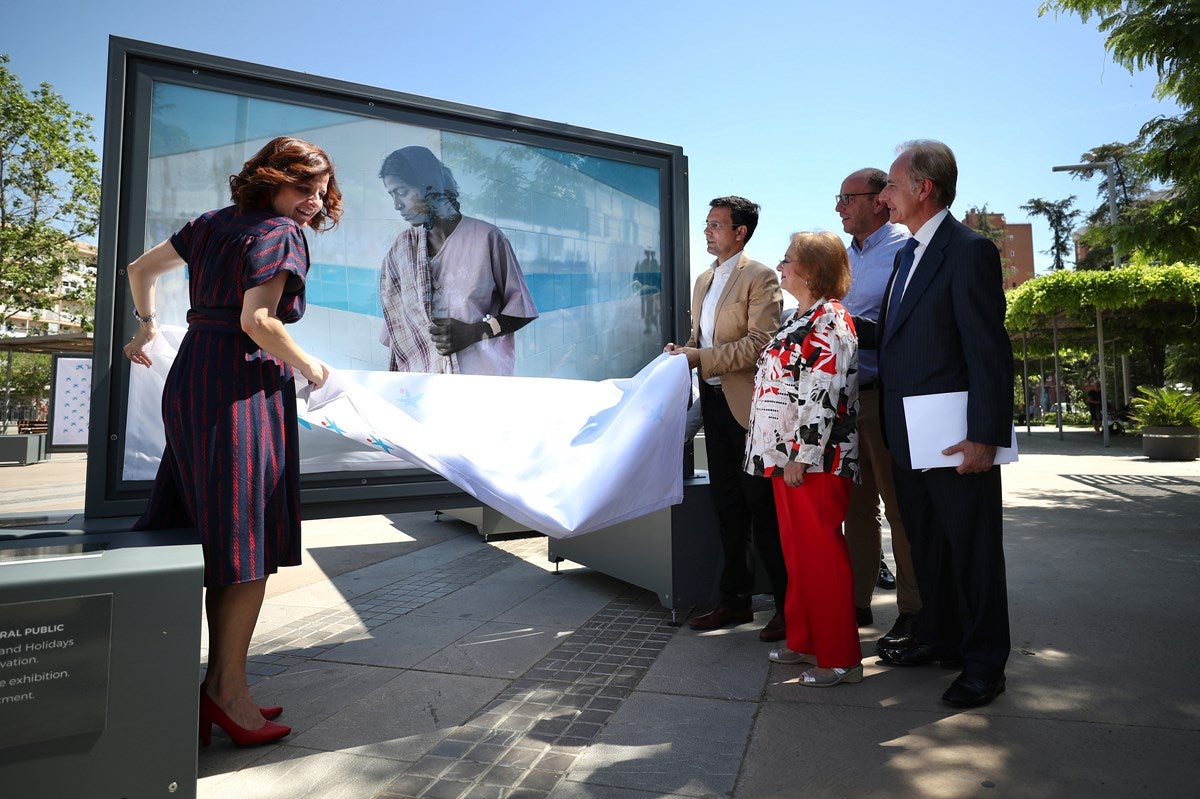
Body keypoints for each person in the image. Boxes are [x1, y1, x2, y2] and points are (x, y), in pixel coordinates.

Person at [123, 136, 343, 746]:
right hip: (242, 383)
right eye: (303, 185)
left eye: (321, 189)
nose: (313, 201)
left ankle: (221, 685)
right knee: (245, 541)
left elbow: (139, 271)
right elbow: (259, 322)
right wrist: (318, 371)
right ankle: (227, 693)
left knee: (222, 535)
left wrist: (146, 327)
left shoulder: (209, 226)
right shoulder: (279, 233)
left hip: (194, 376)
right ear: (270, 178)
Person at [875, 140, 1014, 708]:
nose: (884, 196)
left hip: (957, 437)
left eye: (890, 184)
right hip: (909, 434)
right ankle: (942, 638)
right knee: (928, 546)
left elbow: (988, 351)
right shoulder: (906, 255)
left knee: (973, 551)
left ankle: (985, 664)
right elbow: (900, 337)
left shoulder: (968, 251)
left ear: (922, 187)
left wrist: (986, 435)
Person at [665, 196, 787, 642]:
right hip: (714, 405)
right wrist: (684, 353)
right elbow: (703, 340)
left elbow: (762, 343)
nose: (707, 231)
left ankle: (786, 606)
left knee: (763, 507)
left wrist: (702, 357)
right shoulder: (703, 280)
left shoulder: (760, 276)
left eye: (717, 224)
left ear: (741, 231)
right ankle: (734, 600)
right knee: (727, 506)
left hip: (751, 406)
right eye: (707, 223)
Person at [745, 231, 862, 687]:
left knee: (821, 553)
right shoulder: (803, 316)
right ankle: (805, 639)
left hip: (815, 461)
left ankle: (840, 657)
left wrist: (802, 455)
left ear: (812, 269)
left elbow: (823, 395)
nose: (781, 265)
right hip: (787, 458)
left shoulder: (830, 319)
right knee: (799, 554)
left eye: (789, 259)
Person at [836, 168, 922, 645]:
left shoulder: (905, 249)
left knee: (899, 508)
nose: (839, 207)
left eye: (847, 197)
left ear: (879, 200)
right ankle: (856, 604)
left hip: (885, 397)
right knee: (856, 510)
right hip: (843, 400)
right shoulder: (844, 257)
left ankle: (913, 610)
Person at [378, 146, 537, 375]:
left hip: (479, 379)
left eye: (402, 192)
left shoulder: (486, 238)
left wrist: (475, 332)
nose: (397, 205)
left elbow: (522, 311)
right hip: (424, 382)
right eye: (391, 194)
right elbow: (400, 330)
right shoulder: (402, 249)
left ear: (428, 186)